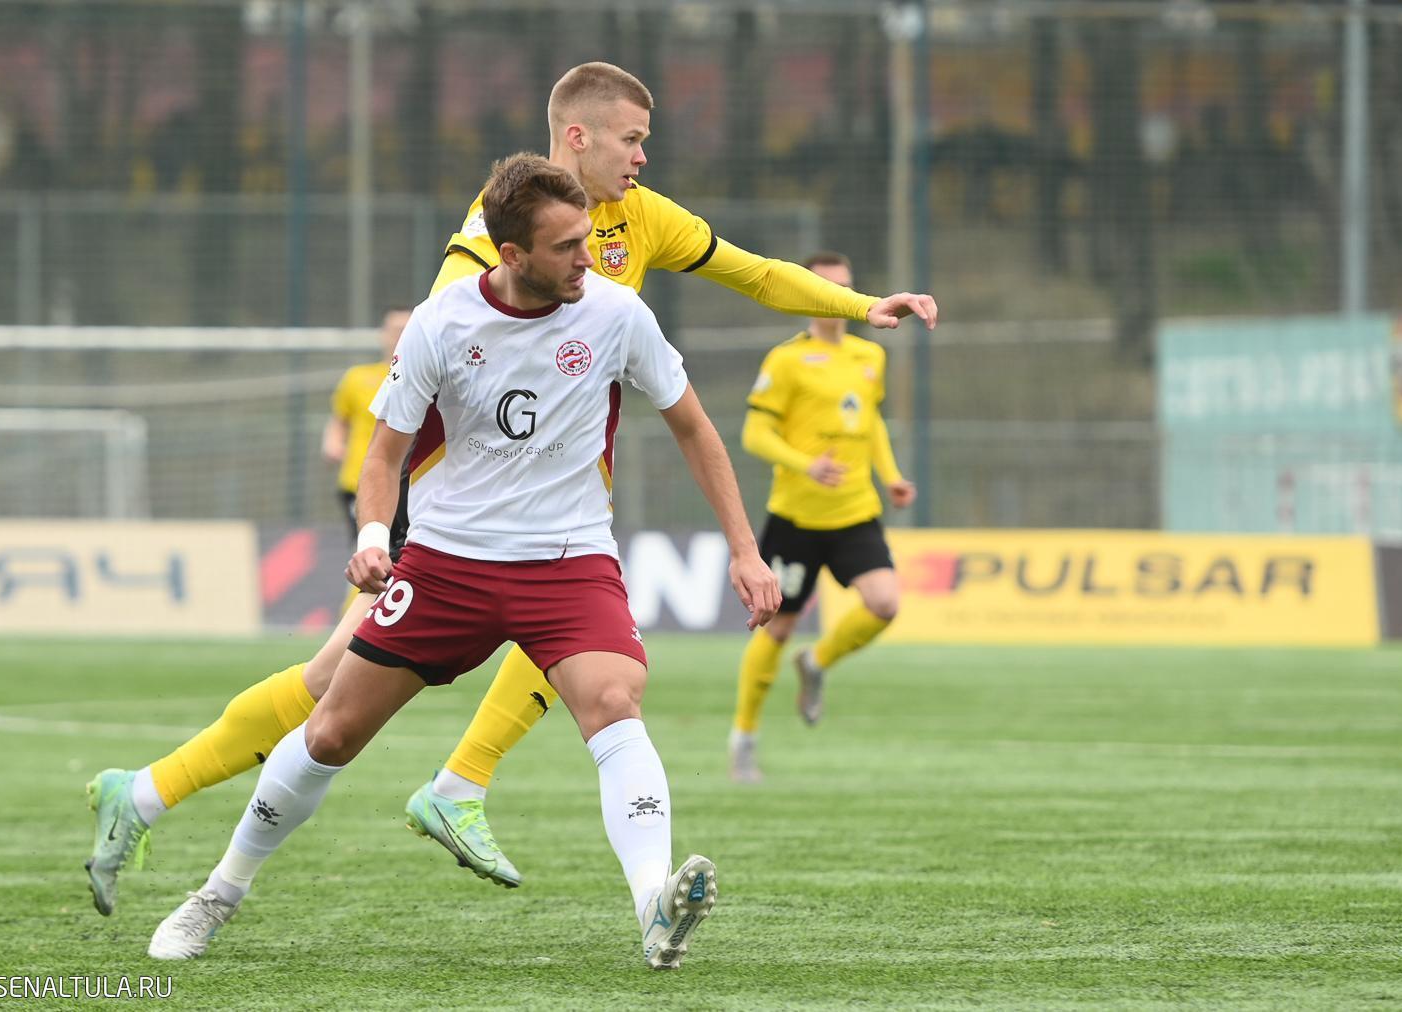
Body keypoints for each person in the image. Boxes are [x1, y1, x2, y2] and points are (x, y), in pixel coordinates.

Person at [84, 60, 937, 914]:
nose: (643, 157)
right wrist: (399, 512)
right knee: (328, 687)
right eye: (632, 140)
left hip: (548, 503)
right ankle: (177, 793)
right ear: (579, 137)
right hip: (456, 499)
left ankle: (426, 785)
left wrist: (862, 307)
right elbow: (439, 360)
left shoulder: (640, 216)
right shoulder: (493, 237)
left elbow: (755, 272)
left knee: (550, 639)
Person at [145, 154, 780, 968]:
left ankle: (655, 908)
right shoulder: (441, 323)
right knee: (332, 731)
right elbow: (384, 455)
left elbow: (694, 427)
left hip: (568, 562)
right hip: (447, 566)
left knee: (614, 700)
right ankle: (217, 894)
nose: (587, 259)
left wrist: (744, 550)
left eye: (588, 239)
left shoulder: (618, 314)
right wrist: (373, 539)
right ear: (512, 254)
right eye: (566, 247)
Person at [729, 252, 915, 782]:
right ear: (808, 294)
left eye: (846, 287)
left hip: (855, 511)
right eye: (827, 287)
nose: (838, 297)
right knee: (776, 628)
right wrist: (805, 464)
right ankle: (744, 738)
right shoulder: (786, 361)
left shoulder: (868, 356)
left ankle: (817, 663)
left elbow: (871, 421)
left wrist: (891, 475)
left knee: (885, 603)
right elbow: (754, 434)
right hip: (796, 518)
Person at [324, 308, 411, 539]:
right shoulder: (357, 377)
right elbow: (340, 419)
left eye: (406, 329)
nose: (400, 336)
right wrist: (333, 443)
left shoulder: (424, 378)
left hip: (408, 482)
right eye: (395, 330)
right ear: (383, 334)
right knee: (370, 545)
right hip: (359, 480)